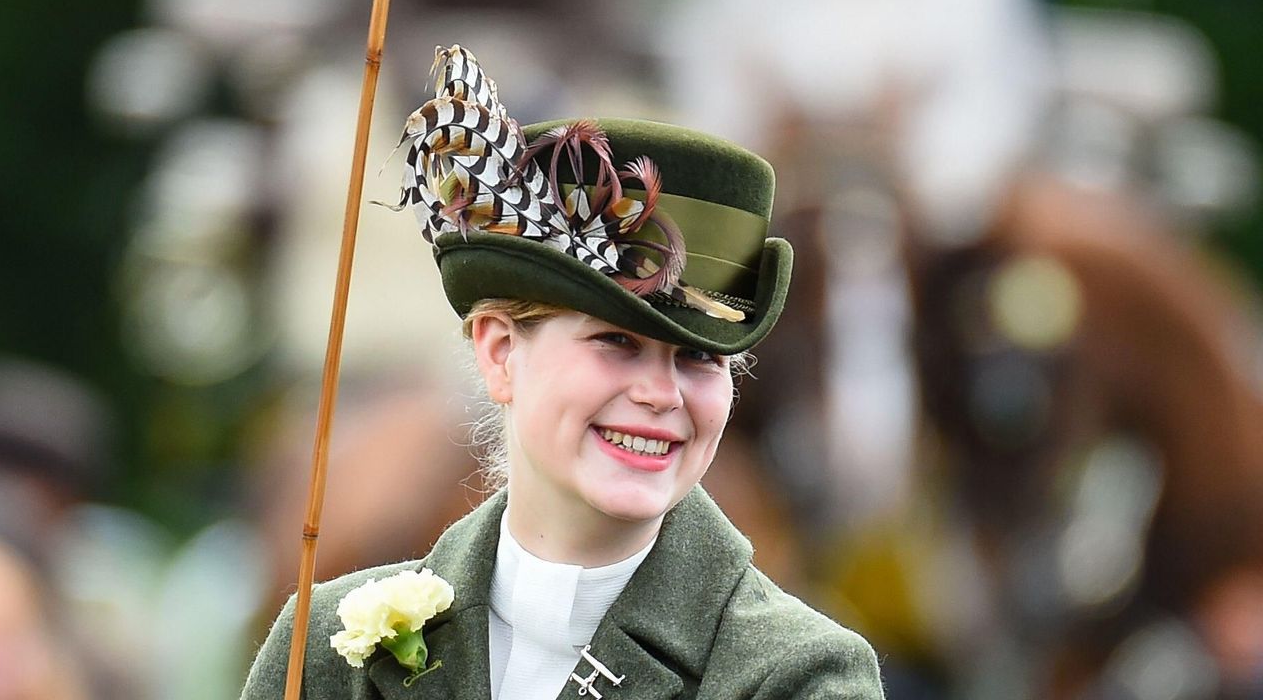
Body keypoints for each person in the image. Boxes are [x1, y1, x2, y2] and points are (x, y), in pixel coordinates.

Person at [240, 45, 884, 700]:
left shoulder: (801, 676)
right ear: (498, 353)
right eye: (615, 341)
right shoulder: (325, 644)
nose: (661, 395)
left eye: (698, 358)